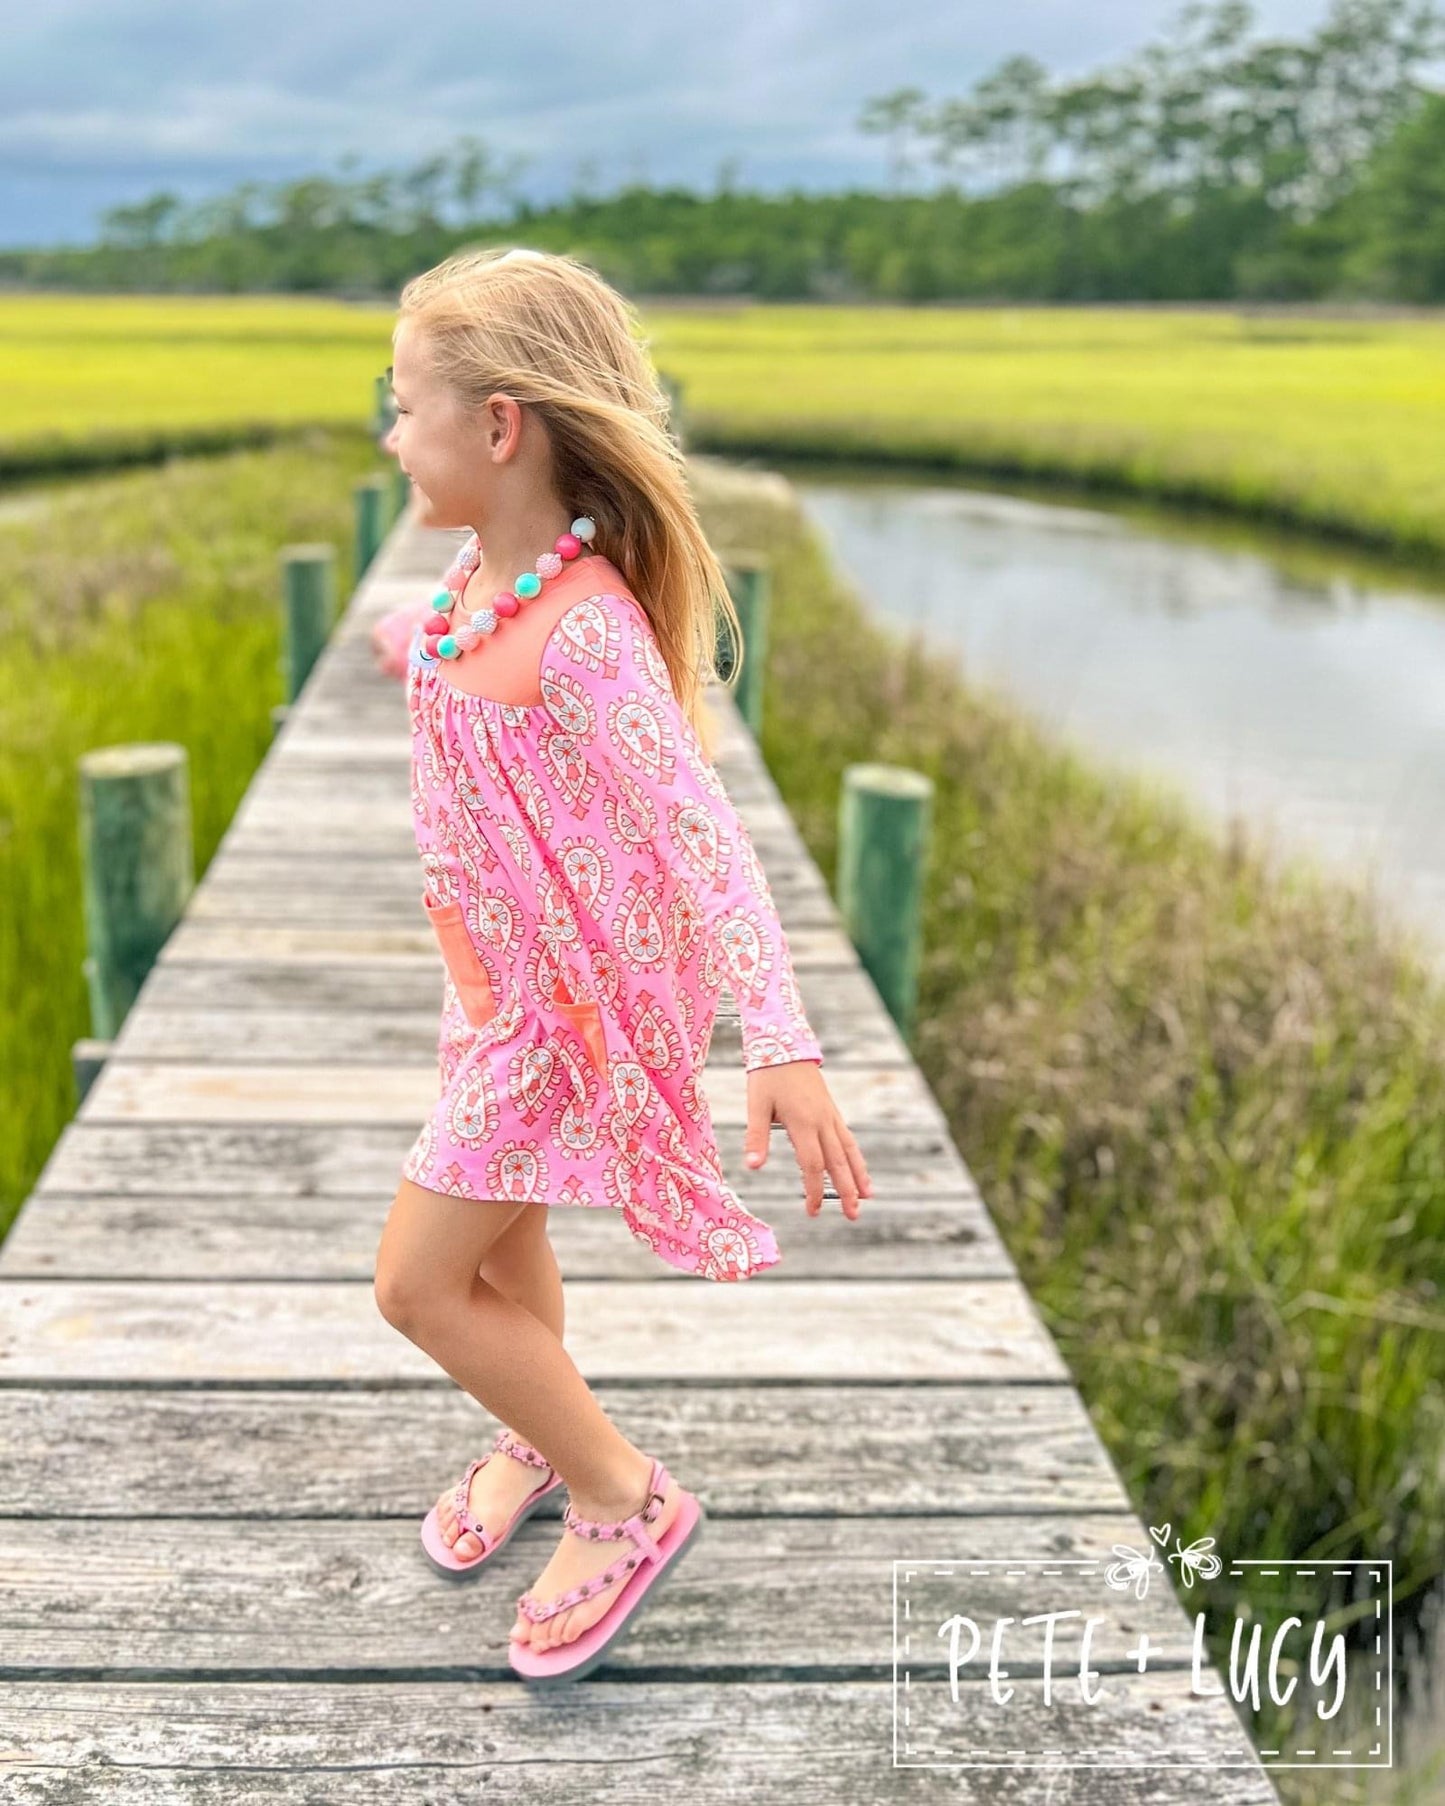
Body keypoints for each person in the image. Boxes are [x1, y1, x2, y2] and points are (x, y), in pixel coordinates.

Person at [368, 245, 871, 1686]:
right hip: (486, 993)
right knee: (505, 1244)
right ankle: (539, 1421)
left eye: (404, 406)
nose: (393, 434)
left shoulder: (586, 632)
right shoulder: (479, 578)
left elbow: (704, 841)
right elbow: (461, 670)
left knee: (415, 1283)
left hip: (560, 1009)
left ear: (501, 425)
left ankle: (619, 1489)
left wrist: (779, 1036)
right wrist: (415, 638)